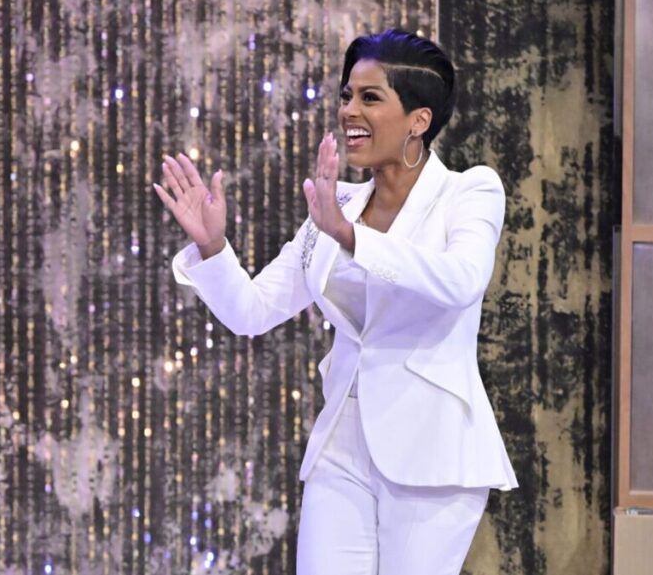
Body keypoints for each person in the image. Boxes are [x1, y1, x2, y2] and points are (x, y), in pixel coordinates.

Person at [153, 28, 518, 575]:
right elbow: (252, 312)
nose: (349, 111)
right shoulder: (335, 204)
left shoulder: (469, 191)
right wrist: (212, 246)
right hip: (341, 444)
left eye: (370, 97)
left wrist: (351, 237)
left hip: (433, 451)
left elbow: (462, 280)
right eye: (347, 95)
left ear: (418, 120)